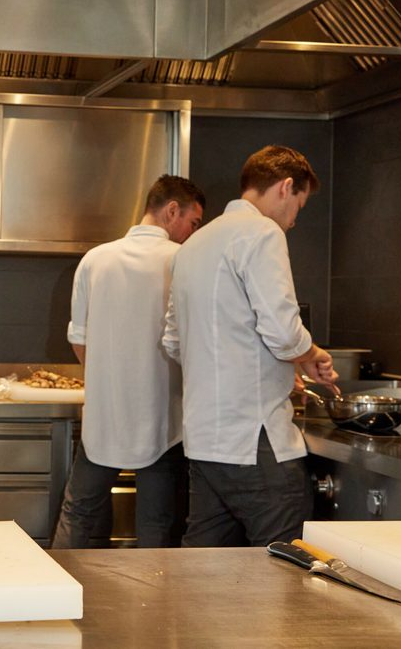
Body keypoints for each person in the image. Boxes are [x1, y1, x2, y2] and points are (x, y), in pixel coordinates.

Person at [162, 145, 338, 547]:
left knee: (204, 571)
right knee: (285, 568)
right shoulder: (262, 232)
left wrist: (262, 367)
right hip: (254, 439)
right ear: (286, 186)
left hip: (205, 442)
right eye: (299, 205)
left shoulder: (193, 245)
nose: (294, 220)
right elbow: (282, 330)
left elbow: (175, 342)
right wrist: (311, 355)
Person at [53, 175, 205, 549]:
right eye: (193, 222)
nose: (192, 233)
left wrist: (108, 380)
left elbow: (79, 340)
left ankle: (52, 604)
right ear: (172, 210)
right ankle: (152, 607)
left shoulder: (95, 260)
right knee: (156, 524)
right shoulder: (183, 261)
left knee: (79, 515)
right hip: (163, 420)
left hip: (103, 418)